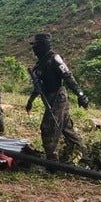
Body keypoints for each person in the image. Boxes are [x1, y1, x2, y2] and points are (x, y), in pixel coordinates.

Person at [25, 33, 89, 161]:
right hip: (49, 97)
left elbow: (68, 77)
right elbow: (38, 86)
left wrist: (81, 94)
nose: (33, 48)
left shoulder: (54, 59)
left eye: (35, 45)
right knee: (66, 127)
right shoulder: (39, 65)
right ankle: (85, 154)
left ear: (43, 46)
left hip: (58, 97)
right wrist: (30, 101)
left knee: (48, 127)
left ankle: (52, 160)